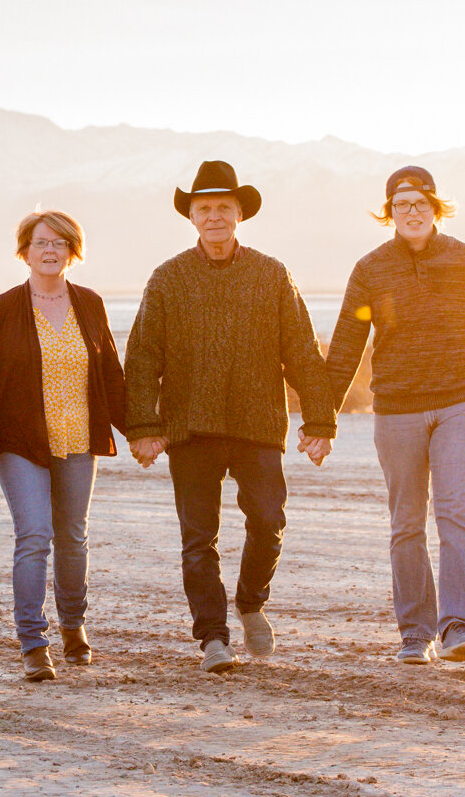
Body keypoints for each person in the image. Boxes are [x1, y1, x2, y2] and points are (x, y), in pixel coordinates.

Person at [320, 167, 465, 665]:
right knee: (406, 522)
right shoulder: (370, 269)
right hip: (396, 411)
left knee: (455, 514)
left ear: (436, 207)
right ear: (389, 213)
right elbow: (344, 349)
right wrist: (322, 423)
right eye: (400, 202)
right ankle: (415, 633)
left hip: (458, 406)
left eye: (420, 200)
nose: (411, 209)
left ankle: (457, 628)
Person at [126, 161, 335, 674]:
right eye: (204, 209)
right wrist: (144, 427)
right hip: (190, 428)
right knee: (199, 539)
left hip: (258, 424)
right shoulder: (168, 278)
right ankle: (213, 638)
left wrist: (319, 421)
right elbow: (142, 357)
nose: (214, 216)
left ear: (239, 213)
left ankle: (249, 601)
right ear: (192, 217)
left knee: (268, 521)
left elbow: (302, 352)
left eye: (223, 207)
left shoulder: (272, 274)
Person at [0, 210, 129, 681]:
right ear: (25, 250)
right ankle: (33, 642)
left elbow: (111, 377)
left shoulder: (91, 305)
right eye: (41, 242)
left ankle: (74, 626)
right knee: (35, 535)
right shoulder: (3, 307)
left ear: (72, 251)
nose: (50, 250)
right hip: (20, 441)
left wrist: (138, 430)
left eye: (60, 242)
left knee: (73, 537)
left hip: (78, 440)